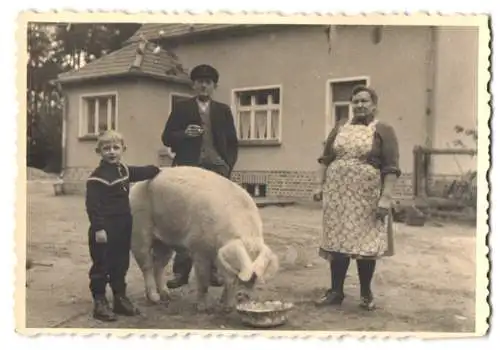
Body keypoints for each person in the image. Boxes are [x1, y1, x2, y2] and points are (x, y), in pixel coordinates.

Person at [313, 85, 401, 311]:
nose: (360, 105)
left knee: (366, 244)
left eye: (365, 101)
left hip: (367, 196)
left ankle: (365, 293)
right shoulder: (340, 127)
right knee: (337, 242)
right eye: (356, 101)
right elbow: (326, 158)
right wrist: (319, 185)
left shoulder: (384, 130)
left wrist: (386, 198)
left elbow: (391, 168)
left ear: (374, 105)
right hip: (337, 195)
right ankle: (336, 291)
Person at [161, 64, 239, 289]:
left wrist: (227, 165)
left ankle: (212, 271)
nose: (203, 85)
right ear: (193, 85)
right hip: (189, 170)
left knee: (215, 221)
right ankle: (181, 272)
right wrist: (184, 135)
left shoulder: (223, 110)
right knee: (186, 219)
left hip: (217, 170)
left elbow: (233, 142)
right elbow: (166, 137)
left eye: (208, 82)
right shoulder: (181, 108)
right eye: (199, 81)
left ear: (214, 86)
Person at [85, 130, 161, 322]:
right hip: (104, 228)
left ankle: (120, 298)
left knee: (120, 263)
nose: (111, 152)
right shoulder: (96, 178)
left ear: (123, 149)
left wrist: (158, 170)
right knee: (102, 265)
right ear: (99, 151)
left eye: (115, 148)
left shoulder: (123, 170)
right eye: (106, 148)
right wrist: (99, 228)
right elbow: (93, 207)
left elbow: (141, 171)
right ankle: (100, 302)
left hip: (123, 225)